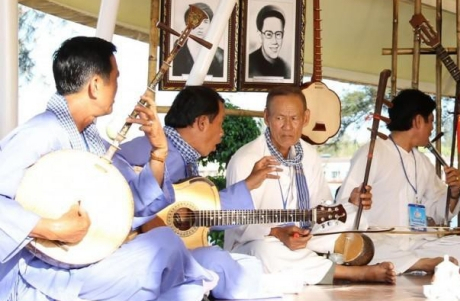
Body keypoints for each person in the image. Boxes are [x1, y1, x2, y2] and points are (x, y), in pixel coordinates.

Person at [0, 36, 215, 300]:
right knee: (167, 251)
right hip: (39, 277)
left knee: (180, 273)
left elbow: (132, 202)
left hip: (85, 268)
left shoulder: (94, 143)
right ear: (96, 85)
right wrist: (50, 228)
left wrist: (159, 152)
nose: (117, 88)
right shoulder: (39, 133)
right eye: (116, 78)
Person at [117, 86, 302, 299]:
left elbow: (197, 211)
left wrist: (249, 184)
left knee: (242, 262)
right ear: (202, 123)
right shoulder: (159, 154)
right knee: (217, 261)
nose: (222, 133)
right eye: (220, 123)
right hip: (133, 259)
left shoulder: (178, 154)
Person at [225, 86, 396, 284]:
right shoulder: (246, 159)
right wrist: (279, 233)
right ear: (266, 117)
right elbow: (238, 223)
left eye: (294, 118)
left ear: (305, 118)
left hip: (303, 238)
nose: (288, 126)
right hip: (257, 244)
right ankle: (353, 273)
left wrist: (351, 202)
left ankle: (312, 263)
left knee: (351, 221)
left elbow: (320, 209)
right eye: (280, 118)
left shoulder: (309, 155)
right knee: (265, 252)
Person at [336, 89, 460, 274]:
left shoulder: (422, 161)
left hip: (417, 244)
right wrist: (355, 200)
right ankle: (419, 265)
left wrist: (453, 192)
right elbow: (343, 204)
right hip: (380, 242)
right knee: (364, 248)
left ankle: (412, 264)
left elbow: (438, 213)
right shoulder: (373, 151)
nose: (432, 128)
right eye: (431, 122)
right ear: (418, 121)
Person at [172, 2, 225, 78]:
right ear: (187, 23)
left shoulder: (221, 56)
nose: (201, 27)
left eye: (205, 22)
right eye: (197, 21)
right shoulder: (176, 51)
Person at [247, 4, 291, 79]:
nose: (274, 41)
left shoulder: (285, 67)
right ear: (260, 36)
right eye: (269, 34)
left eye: (278, 34)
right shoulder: (248, 65)